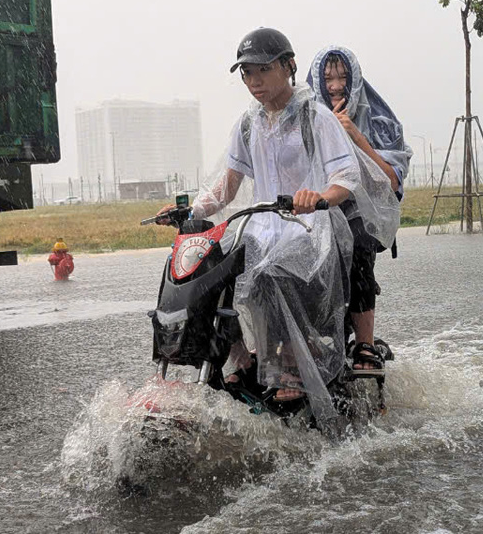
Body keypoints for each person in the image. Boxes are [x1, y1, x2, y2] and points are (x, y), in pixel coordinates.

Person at [161, 28, 361, 411]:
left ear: (289, 67)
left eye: (263, 70)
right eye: (247, 73)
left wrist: (317, 197)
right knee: (209, 270)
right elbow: (227, 187)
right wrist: (191, 212)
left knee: (267, 274)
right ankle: (234, 354)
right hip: (260, 229)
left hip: (309, 231)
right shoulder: (249, 123)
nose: (254, 81)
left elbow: (345, 180)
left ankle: (286, 365)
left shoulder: (315, 117)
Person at [307, 46, 411, 371]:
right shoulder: (306, 117)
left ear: (354, 81)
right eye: (327, 79)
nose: (335, 86)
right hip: (318, 211)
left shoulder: (379, 120)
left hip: (365, 216)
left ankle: (364, 344)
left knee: (358, 246)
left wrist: (354, 134)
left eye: (342, 78)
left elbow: (392, 179)